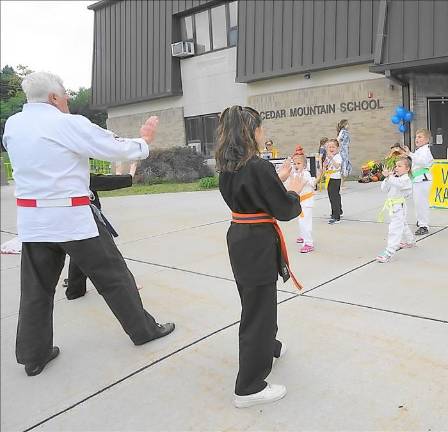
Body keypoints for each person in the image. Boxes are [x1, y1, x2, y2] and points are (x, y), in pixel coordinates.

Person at [2, 71, 174, 377]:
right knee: (115, 278)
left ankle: (34, 355)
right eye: (65, 93)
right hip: (72, 219)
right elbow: (113, 147)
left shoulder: (13, 125)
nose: (68, 97)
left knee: (36, 290)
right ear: (54, 97)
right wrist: (143, 141)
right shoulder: (66, 123)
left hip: (33, 222)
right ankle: (143, 331)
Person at [215, 105, 305, 408]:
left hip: (241, 239)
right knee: (258, 311)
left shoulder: (228, 166)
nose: (262, 132)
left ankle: (268, 347)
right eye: (259, 127)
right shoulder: (256, 167)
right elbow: (285, 209)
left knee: (255, 302)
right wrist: (292, 188)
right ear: (250, 131)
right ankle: (249, 386)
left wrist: (274, 178)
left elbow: (251, 194)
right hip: (256, 242)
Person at [63, 162, 141, 300]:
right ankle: (127, 285)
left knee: (79, 252)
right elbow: (108, 181)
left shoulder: (67, 175)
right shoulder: (79, 177)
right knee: (110, 255)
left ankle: (75, 289)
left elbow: (106, 179)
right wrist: (131, 172)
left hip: (76, 220)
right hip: (88, 220)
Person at [376, 157, 415, 263]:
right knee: (403, 224)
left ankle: (389, 252)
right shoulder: (394, 178)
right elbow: (384, 189)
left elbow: (399, 184)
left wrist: (390, 177)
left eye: (399, 166)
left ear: (407, 169)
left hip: (399, 207)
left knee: (395, 229)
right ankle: (410, 241)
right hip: (392, 207)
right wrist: (387, 178)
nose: (396, 168)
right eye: (396, 166)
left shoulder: (406, 179)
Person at [283, 146, 316, 253]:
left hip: (306, 202)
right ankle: (303, 236)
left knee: (305, 222)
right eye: (294, 163)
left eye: (299, 164)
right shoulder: (296, 173)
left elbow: (304, 185)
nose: (296, 166)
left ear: (305, 165)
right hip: (300, 202)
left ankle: (309, 242)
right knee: (301, 221)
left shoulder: (305, 174)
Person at [404, 128, 434, 236]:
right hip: (417, 180)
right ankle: (420, 220)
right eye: (416, 137)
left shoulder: (425, 150)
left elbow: (423, 162)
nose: (417, 139)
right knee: (417, 203)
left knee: (421, 203)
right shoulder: (419, 151)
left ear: (427, 140)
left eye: (420, 137)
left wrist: (410, 154)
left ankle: (424, 225)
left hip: (423, 180)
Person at [324, 138, 343, 224]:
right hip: (329, 178)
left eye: (333, 147)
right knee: (333, 196)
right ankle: (338, 211)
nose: (331, 149)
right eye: (329, 147)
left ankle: (336, 216)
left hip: (335, 179)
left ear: (337, 148)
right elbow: (326, 165)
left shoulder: (338, 156)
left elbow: (337, 166)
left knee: (334, 197)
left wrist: (332, 158)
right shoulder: (329, 156)